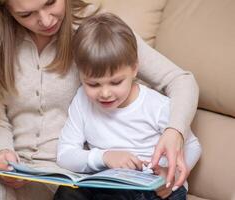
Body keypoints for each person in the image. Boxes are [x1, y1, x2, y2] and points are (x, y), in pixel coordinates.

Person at [0, 0, 199, 200]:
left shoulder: (92, 30)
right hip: (13, 177)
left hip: (67, 181)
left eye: (51, 2)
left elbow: (181, 80)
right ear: (6, 10)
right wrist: (2, 155)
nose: (45, 20)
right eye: (26, 14)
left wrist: (175, 131)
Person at [55, 13, 202, 200]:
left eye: (115, 82)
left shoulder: (155, 105)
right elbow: (66, 154)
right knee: (67, 192)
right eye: (93, 84)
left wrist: (170, 174)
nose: (105, 93)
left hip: (154, 185)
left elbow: (193, 146)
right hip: (107, 181)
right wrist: (105, 157)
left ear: (134, 68)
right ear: (80, 74)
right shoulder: (81, 101)